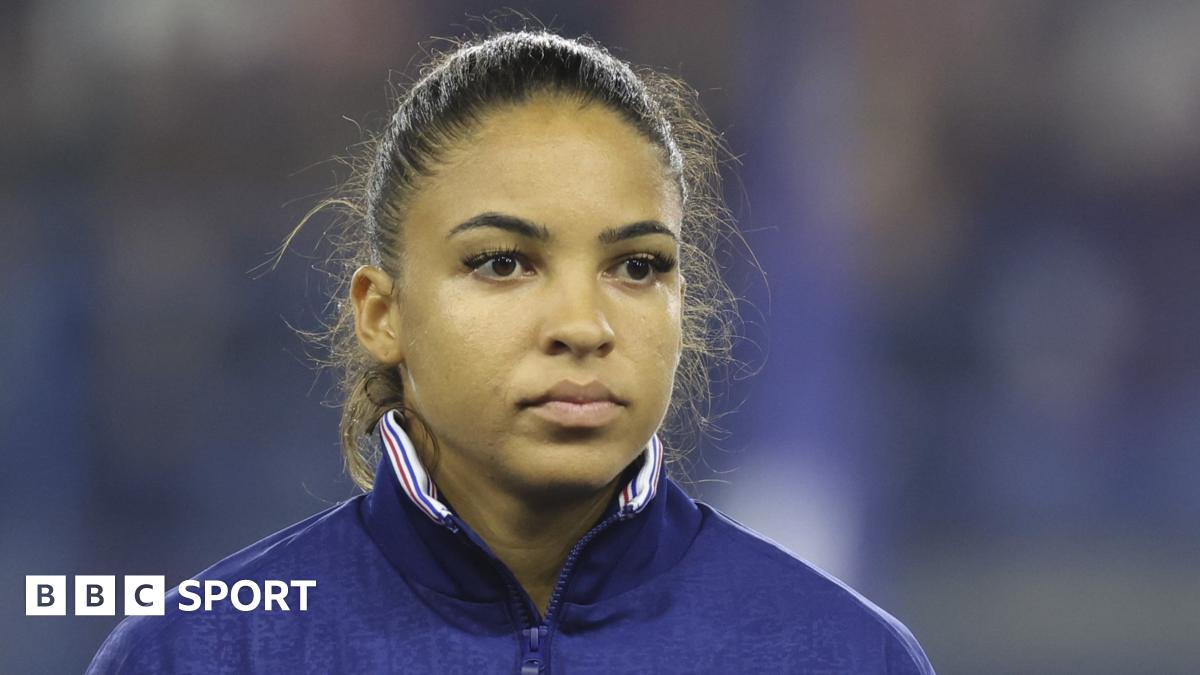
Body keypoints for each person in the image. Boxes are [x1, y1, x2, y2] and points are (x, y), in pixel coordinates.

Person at [87, 29, 935, 673]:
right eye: (502, 262)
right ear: (382, 312)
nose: (583, 325)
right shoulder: (199, 652)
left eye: (638, 266)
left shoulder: (845, 655)